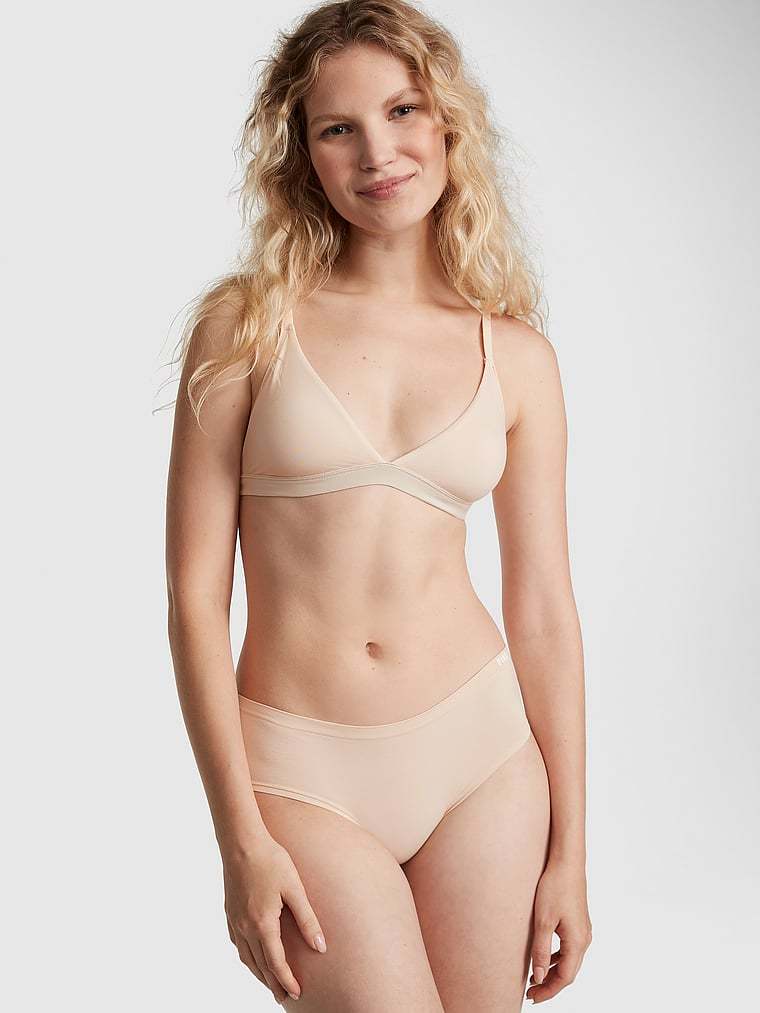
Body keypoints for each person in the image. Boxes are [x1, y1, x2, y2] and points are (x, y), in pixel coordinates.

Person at [164, 1, 592, 1008]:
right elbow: (192, 598)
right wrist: (239, 838)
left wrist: (571, 849)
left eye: (403, 110)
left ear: (448, 123)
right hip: (301, 768)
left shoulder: (518, 357)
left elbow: (542, 607)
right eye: (337, 128)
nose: (378, 152)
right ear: (303, 155)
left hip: (483, 759)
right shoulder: (246, 325)